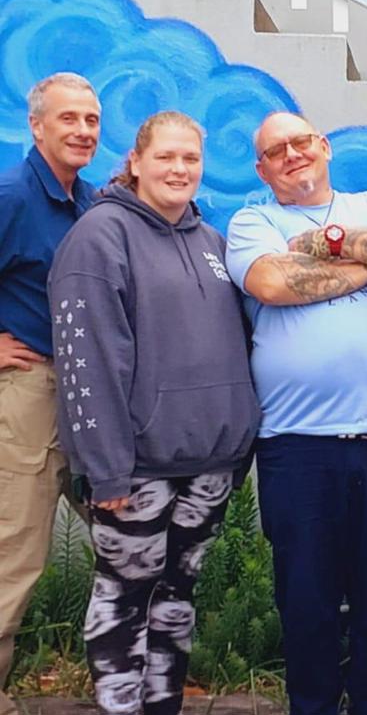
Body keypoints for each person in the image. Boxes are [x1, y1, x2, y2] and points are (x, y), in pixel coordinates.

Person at [47, 110, 261, 715]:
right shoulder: (99, 236)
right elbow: (89, 361)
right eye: (165, 156)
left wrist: (239, 441)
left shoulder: (211, 241)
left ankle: (162, 703)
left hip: (211, 463)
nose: (179, 168)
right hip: (137, 469)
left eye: (190, 158)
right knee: (124, 597)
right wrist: (106, 469)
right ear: (136, 162)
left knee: (177, 595)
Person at [225, 111, 367, 715]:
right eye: (276, 151)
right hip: (298, 446)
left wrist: (331, 244)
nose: (292, 154)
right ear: (262, 169)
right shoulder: (253, 222)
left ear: (323, 147)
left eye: (300, 142)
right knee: (306, 600)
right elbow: (272, 283)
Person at [0, 72, 101, 715]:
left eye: (91, 120)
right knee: (14, 552)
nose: (83, 131)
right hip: (30, 392)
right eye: (68, 118)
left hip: (90, 396)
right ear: (37, 126)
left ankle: (127, 681)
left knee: (128, 538)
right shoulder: (12, 195)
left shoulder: (90, 202)